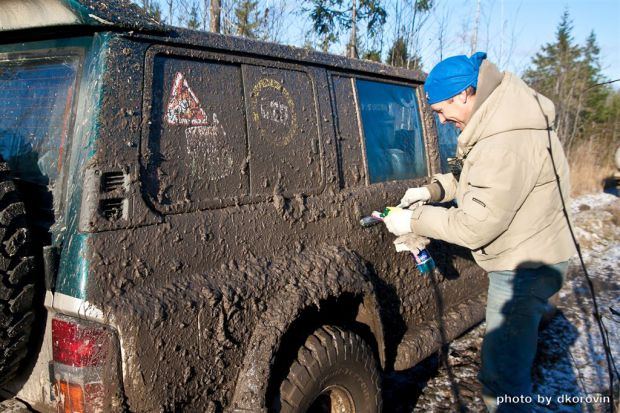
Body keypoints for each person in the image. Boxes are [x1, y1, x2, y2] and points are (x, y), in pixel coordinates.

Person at [382, 52, 576, 412]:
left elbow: (474, 225)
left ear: (464, 94)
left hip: (525, 266)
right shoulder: (497, 119)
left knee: (503, 379)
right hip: (529, 253)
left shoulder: (504, 141)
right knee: (504, 370)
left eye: (442, 110)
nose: (442, 119)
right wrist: (432, 190)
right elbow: (469, 176)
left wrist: (414, 220)